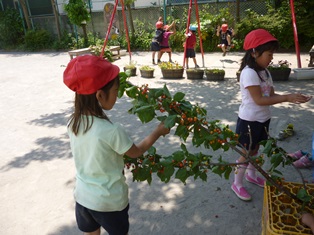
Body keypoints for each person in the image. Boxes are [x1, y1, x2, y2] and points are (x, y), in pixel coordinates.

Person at [63, 55, 170, 235]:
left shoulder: (73, 122)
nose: (117, 96)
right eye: (115, 90)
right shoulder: (111, 131)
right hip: (110, 203)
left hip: (83, 198)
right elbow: (135, 152)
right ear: (99, 95)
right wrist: (158, 132)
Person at [231, 29, 312, 201]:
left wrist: (293, 97)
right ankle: (237, 183)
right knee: (246, 153)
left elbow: (271, 95)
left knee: (256, 149)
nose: (271, 58)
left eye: (272, 54)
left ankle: (251, 175)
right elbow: (259, 100)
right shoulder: (249, 73)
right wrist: (286, 98)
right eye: (269, 54)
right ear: (254, 52)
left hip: (263, 118)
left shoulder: (265, 72)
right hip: (249, 121)